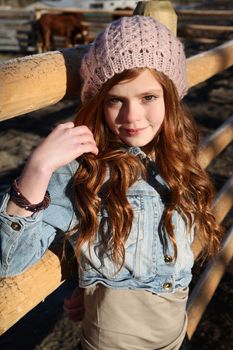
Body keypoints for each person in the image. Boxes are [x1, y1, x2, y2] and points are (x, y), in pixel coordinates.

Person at [0, 16, 222, 350]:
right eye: (115, 99)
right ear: (99, 101)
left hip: (177, 341)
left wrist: (87, 284)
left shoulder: (177, 157)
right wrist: (37, 170)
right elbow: (10, 260)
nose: (131, 116)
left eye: (148, 97)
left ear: (171, 96)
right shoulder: (84, 172)